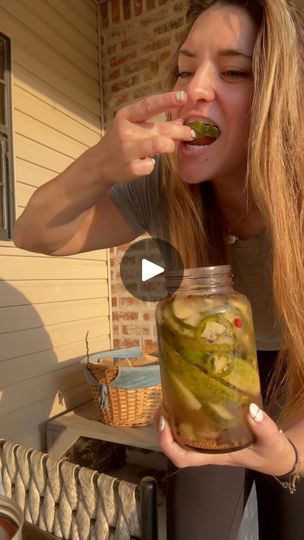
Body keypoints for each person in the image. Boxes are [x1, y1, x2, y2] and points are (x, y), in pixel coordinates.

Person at [13, 0, 304, 538]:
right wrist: (99, 161)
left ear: (279, 96)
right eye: (186, 69)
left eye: (234, 71)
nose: (196, 88)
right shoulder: (164, 188)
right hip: (206, 379)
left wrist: (288, 455)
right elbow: (35, 232)